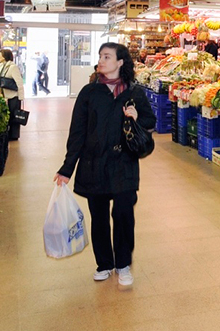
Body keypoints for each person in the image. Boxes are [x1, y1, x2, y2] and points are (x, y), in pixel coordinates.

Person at [53, 43, 155, 287]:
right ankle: (104, 264)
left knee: (123, 216)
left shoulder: (134, 93)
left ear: (120, 62)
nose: (102, 60)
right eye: (100, 56)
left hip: (123, 164)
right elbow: (77, 133)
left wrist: (137, 117)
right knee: (98, 218)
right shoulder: (89, 93)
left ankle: (122, 264)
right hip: (93, 164)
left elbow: (151, 120)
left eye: (107, 56)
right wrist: (67, 168)